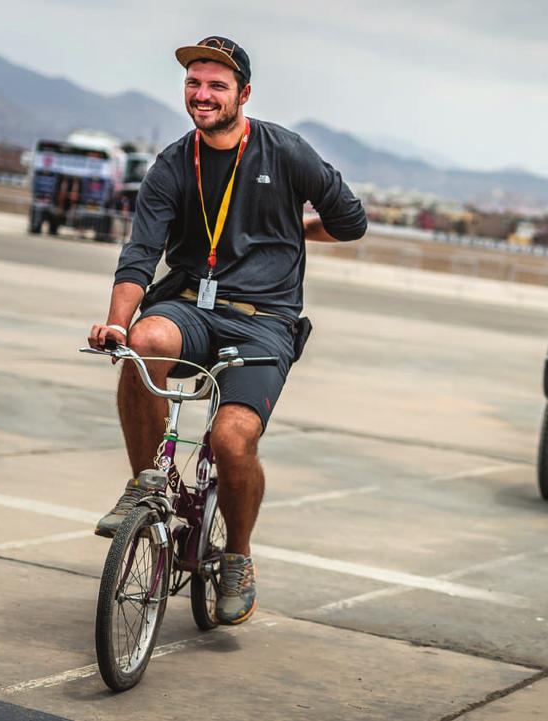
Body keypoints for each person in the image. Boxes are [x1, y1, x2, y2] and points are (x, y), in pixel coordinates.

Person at [87, 36, 367, 625]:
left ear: (243, 93)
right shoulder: (172, 162)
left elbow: (350, 220)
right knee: (144, 343)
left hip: (264, 319)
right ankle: (144, 485)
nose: (203, 94)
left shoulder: (286, 152)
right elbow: (140, 254)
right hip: (190, 302)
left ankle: (237, 555)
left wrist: (293, 230)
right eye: (194, 83)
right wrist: (116, 322)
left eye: (217, 84)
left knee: (231, 440)